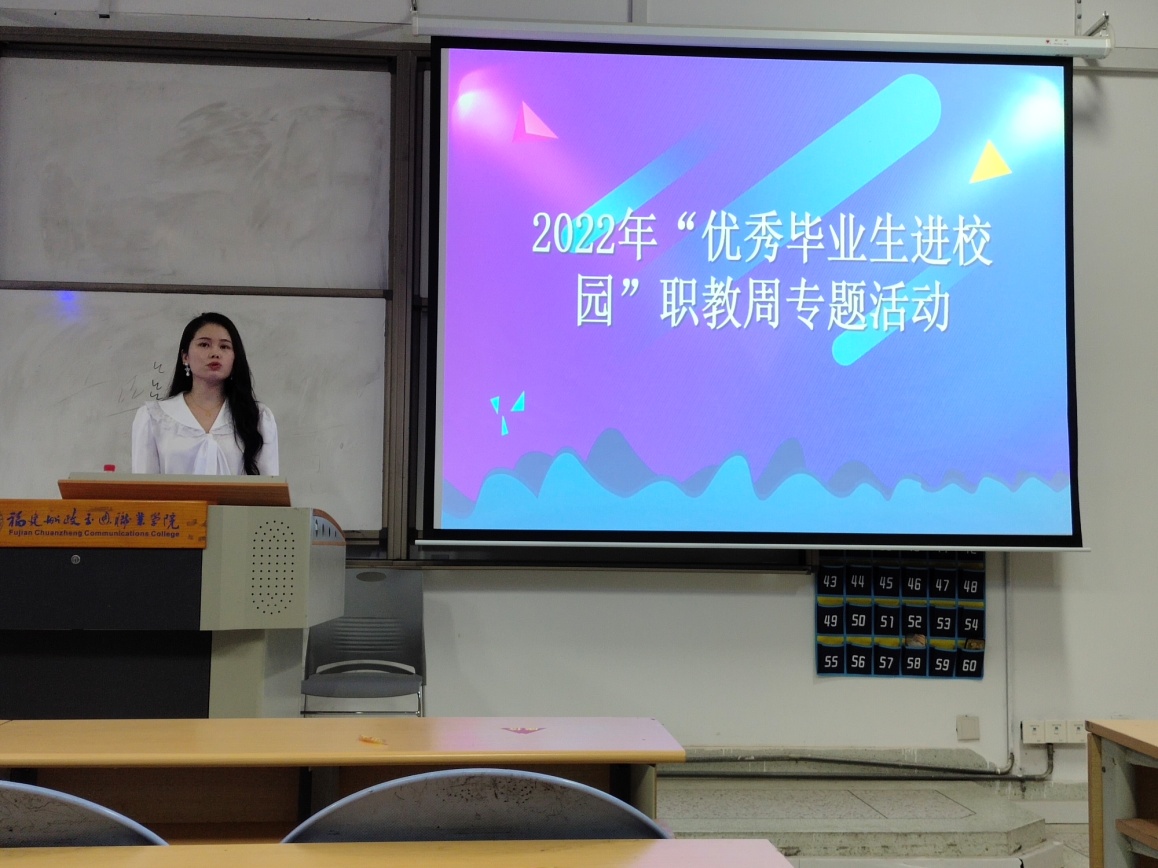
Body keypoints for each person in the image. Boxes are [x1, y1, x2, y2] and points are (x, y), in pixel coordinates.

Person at [131, 312, 279, 476]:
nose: (215, 353)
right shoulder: (154, 417)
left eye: (224, 347)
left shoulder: (258, 417)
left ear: (234, 358)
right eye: (204, 345)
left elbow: (269, 486)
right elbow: (143, 487)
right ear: (185, 357)